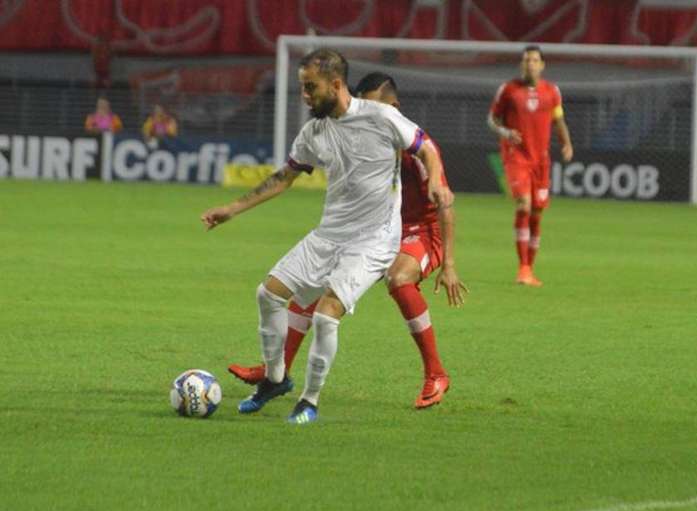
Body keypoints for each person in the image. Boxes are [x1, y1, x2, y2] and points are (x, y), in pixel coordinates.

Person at [200, 49, 451, 425]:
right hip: (329, 234)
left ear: (336, 84)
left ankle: (309, 401)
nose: (304, 95)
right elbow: (284, 177)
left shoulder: (381, 117)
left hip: (374, 241)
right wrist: (232, 209)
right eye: (302, 88)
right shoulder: (314, 132)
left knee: (325, 314)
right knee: (268, 294)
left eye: (310, 87)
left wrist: (436, 183)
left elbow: (426, 146)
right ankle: (275, 379)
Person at [487, 45, 573, 286]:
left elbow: (558, 120)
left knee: (537, 212)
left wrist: (567, 143)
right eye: (526, 60)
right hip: (516, 156)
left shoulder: (552, 91)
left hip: (541, 160)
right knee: (524, 204)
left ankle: (529, 268)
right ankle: (522, 268)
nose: (530, 64)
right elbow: (491, 119)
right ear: (521, 64)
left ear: (542, 65)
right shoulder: (508, 90)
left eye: (535, 60)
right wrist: (505, 132)